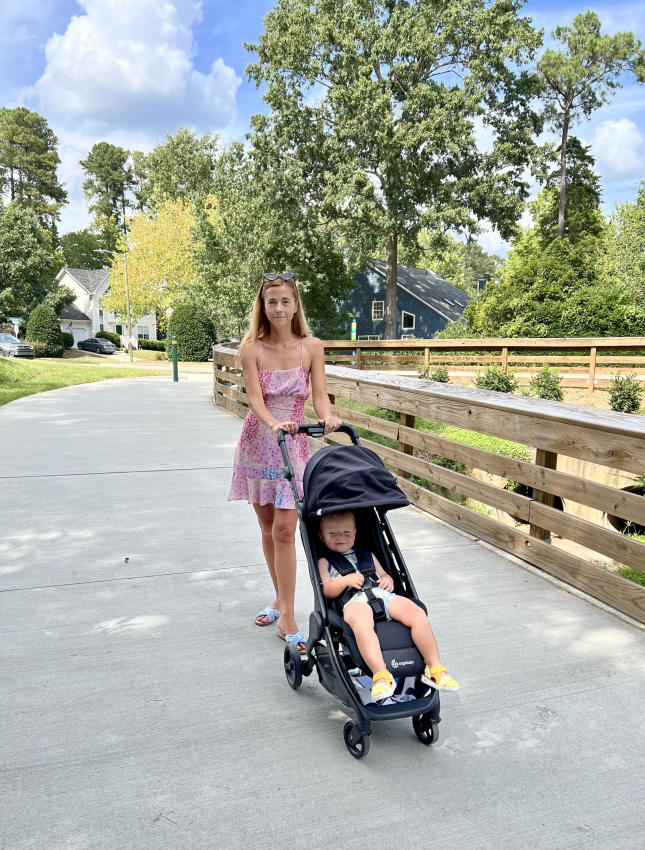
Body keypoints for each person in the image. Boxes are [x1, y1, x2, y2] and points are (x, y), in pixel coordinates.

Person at [228, 273, 342, 653]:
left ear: (296, 306)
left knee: (284, 530)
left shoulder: (311, 347)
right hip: (260, 440)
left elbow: (321, 396)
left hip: (292, 446)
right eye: (271, 301)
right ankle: (280, 598)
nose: (278, 308)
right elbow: (256, 401)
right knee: (266, 525)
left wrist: (328, 416)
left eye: (285, 301)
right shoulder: (251, 349)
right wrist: (274, 422)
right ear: (263, 307)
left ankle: (289, 614)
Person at [317, 510, 460, 702]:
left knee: (417, 613)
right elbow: (326, 590)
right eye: (332, 534)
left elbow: (384, 575)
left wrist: (387, 580)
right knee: (361, 623)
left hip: (382, 595)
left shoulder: (367, 555)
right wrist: (344, 581)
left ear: (355, 533)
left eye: (346, 532)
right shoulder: (324, 561)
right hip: (352, 601)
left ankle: (435, 669)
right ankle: (381, 676)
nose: (340, 537)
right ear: (321, 537)